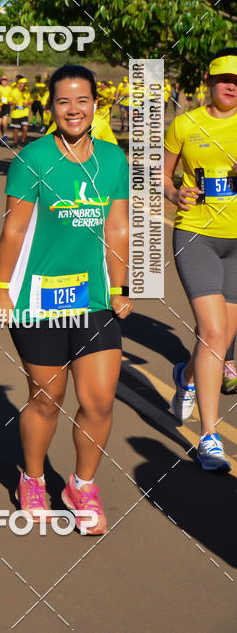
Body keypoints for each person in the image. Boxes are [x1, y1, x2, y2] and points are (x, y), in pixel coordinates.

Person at [0, 64, 131, 535]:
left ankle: (81, 485)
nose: (74, 110)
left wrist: (118, 288)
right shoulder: (33, 158)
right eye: (63, 102)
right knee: (47, 399)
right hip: (38, 300)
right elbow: (13, 228)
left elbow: (116, 228)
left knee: (99, 402)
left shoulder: (112, 160)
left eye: (83, 100)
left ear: (96, 104)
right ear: (52, 107)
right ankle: (32, 478)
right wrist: (0, 288)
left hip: (93, 299)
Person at [164, 48, 237, 471]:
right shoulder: (185, 124)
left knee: (221, 337)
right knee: (212, 332)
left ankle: (185, 376)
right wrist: (174, 193)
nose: (231, 86)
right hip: (197, 234)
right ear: (208, 82)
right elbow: (160, 173)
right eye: (224, 78)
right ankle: (210, 436)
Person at [9, 77, 31, 146]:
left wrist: (27, 103)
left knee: (25, 127)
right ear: (19, 83)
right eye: (23, 83)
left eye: (25, 83)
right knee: (16, 129)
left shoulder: (27, 92)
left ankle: (23, 141)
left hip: (24, 112)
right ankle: (15, 142)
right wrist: (13, 103)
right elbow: (9, 101)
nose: (24, 85)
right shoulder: (13, 91)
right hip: (16, 112)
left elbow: (31, 100)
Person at [0, 75, 12, 146]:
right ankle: (2, 136)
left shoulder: (9, 89)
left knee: (4, 122)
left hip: (6, 106)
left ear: (6, 81)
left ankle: (5, 135)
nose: (4, 81)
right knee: (0, 123)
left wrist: (9, 101)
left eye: (5, 80)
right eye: (2, 80)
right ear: (1, 81)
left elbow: (11, 98)